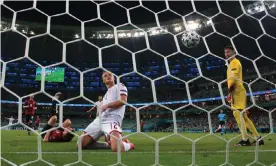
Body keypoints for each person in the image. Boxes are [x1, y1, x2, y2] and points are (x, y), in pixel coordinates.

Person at [78, 71, 134, 152]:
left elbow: (123, 101)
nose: (108, 76)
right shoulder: (106, 95)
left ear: (113, 77)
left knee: (116, 148)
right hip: (99, 120)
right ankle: (107, 144)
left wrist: (106, 106)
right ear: (103, 80)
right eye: (105, 76)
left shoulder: (120, 86)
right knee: (80, 145)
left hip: (111, 120)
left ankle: (129, 145)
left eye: (110, 75)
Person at [224, 45, 263, 146]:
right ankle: (258, 138)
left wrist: (229, 92)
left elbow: (233, 78)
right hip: (237, 91)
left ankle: (245, 140)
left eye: (228, 52)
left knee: (238, 114)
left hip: (237, 91)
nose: (226, 54)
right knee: (244, 116)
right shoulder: (231, 63)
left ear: (234, 52)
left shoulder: (234, 62)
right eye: (225, 52)